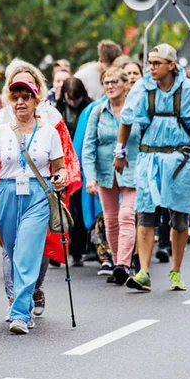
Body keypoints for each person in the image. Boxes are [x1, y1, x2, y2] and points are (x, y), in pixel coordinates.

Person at [115, 44, 190, 292]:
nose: (150, 67)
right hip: (149, 157)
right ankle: (143, 271)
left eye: (156, 63)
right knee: (146, 213)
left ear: (172, 66)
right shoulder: (143, 88)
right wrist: (120, 152)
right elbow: (127, 119)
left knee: (180, 216)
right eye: (149, 63)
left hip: (179, 159)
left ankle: (176, 271)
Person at [0, 80, 66, 334]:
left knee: (27, 252)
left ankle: (19, 314)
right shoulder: (1, 131)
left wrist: (60, 178)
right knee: (13, 251)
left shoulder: (49, 132)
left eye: (26, 96)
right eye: (15, 97)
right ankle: (24, 303)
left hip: (38, 193)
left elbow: (59, 167)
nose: (20, 102)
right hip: (6, 192)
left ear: (35, 101)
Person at [82, 67, 140, 284]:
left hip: (132, 171)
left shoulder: (135, 111)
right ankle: (118, 264)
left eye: (115, 81)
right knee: (111, 220)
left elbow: (144, 142)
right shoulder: (97, 112)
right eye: (106, 83)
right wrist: (90, 177)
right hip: (105, 173)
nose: (110, 86)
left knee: (126, 215)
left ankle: (123, 263)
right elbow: (88, 147)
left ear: (125, 84)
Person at [57, 78, 93, 265]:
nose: (73, 103)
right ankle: (56, 249)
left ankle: (77, 250)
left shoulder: (89, 109)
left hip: (79, 161)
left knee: (77, 207)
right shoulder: (57, 109)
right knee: (57, 206)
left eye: (76, 99)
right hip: (59, 160)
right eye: (69, 99)